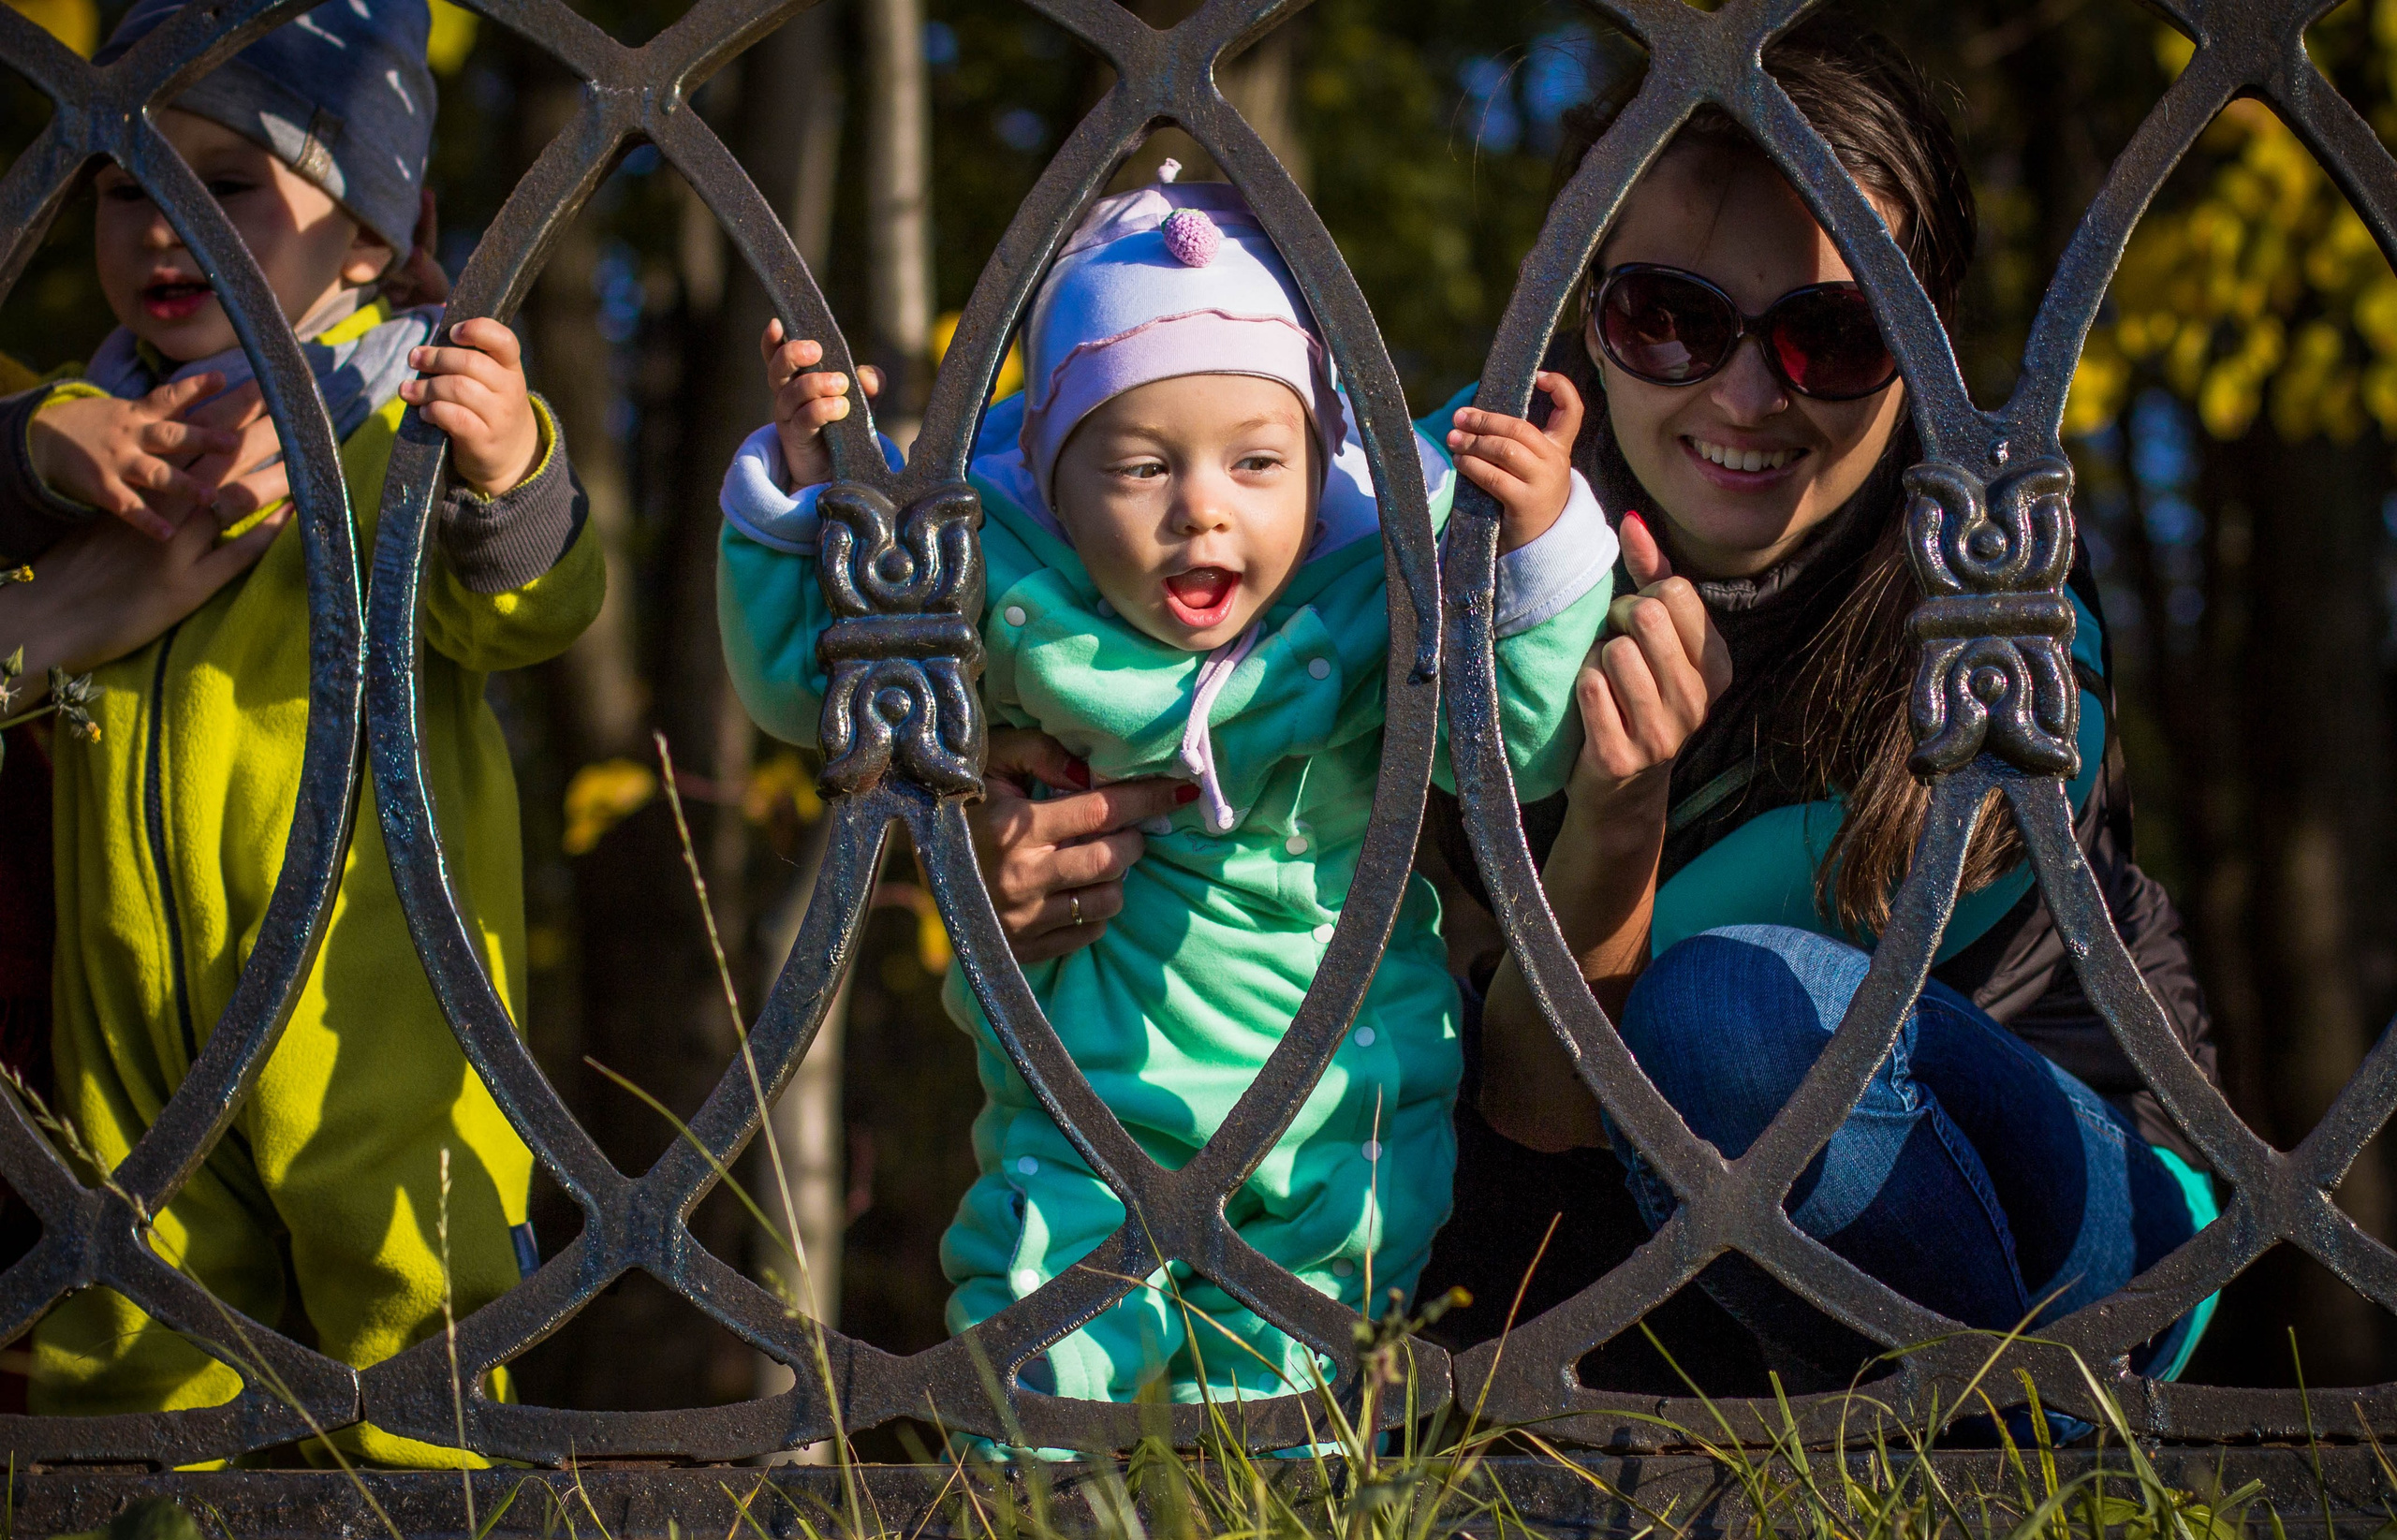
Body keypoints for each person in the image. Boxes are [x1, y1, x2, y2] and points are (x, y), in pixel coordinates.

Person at [978, 19, 2223, 1396]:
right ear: (1586, 312)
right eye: (1671, 319)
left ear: (1923, 345)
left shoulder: (1993, 585)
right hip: (1632, 1256)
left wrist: (1617, 821)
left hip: (2068, 1221)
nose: (1744, 396)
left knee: (1720, 1021)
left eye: (1831, 334)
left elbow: (1556, 1097)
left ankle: (2023, 1483)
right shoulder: (1469, 529)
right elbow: (1196, 685)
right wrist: (1050, 830)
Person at [718, 165, 1617, 1415]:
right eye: (1142, 469)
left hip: (1341, 1102)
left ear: (1320, 464)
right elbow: (816, 684)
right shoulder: (1015, 601)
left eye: (1258, 464)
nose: (1205, 510)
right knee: (1038, 1384)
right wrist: (809, 499)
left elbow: (1511, 755)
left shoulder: (1370, 599)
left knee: (1304, 1417)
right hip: (1089, 1100)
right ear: (1051, 478)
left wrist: (1537, 556)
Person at [7, 0, 604, 1464]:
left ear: (374, 239)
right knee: (132, 1325)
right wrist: (46, 443)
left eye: (224, 186)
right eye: (123, 188)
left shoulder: (400, 418)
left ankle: (438, 1530)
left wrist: (507, 467)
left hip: (374, 1007)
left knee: (417, 1311)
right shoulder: (96, 430)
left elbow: (535, 612)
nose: (162, 230)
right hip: (130, 1012)